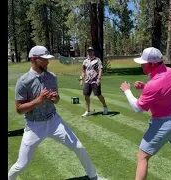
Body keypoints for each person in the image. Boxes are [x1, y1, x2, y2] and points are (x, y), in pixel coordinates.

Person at [8, 45, 104, 180]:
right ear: (35, 60)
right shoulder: (24, 81)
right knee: (22, 165)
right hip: (34, 126)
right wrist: (38, 100)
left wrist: (56, 98)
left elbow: (56, 100)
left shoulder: (51, 77)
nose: (48, 62)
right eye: (44, 60)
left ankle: (94, 177)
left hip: (54, 121)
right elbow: (19, 109)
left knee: (79, 147)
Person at [120, 47, 171, 180]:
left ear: (153, 64)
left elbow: (138, 108)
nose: (142, 64)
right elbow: (166, 89)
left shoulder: (153, 85)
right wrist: (145, 87)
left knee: (143, 157)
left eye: (144, 62)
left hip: (162, 125)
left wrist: (127, 91)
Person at [80, 47, 108, 117]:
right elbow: (83, 71)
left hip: (95, 80)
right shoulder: (85, 61)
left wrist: (99, 78)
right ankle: (87, 111)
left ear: (93, 52)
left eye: (91, 51)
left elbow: (100, 69)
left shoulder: (97, 60)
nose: (90, 52)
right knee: (86, 96)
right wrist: (81, 79)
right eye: (89, 51)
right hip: (87, 81)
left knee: (98, 95)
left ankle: (105, 107)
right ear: (87, 52)